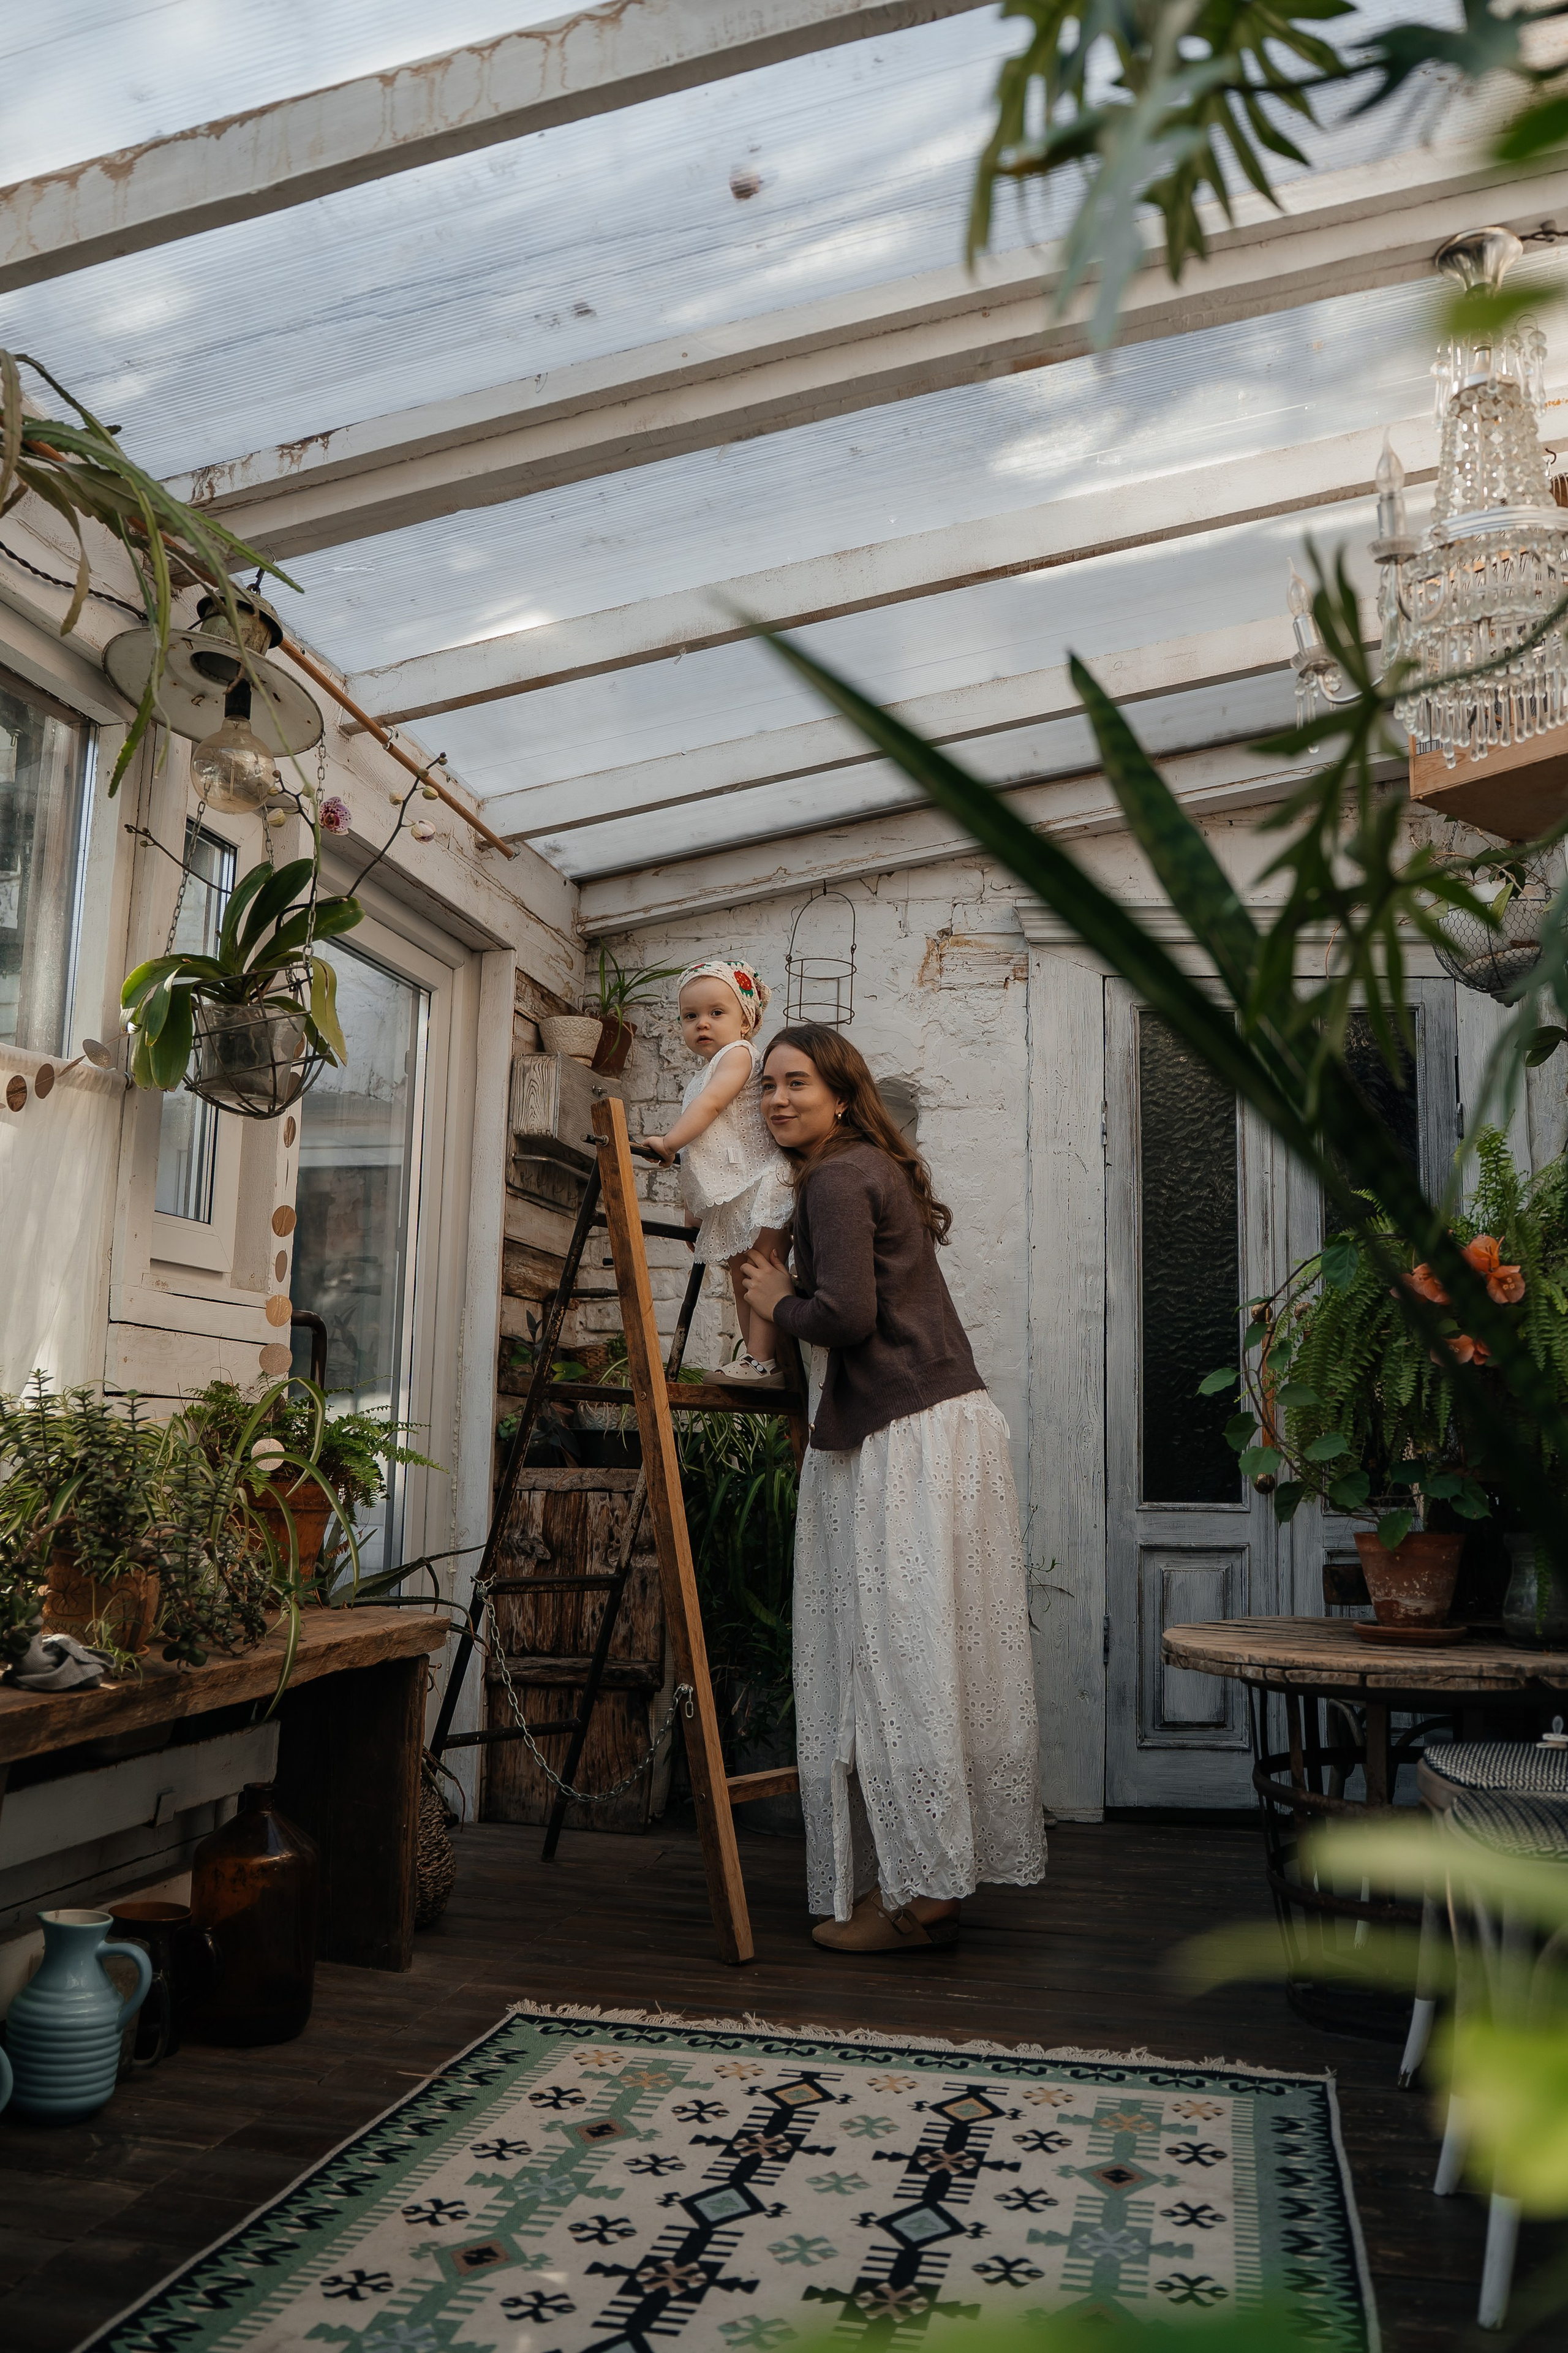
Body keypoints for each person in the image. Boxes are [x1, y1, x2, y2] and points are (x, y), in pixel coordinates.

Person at [740, 1023, 1045, 1953]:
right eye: (767, 1086)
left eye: (797, 1083)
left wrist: (770, 1300)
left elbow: (845, 1315)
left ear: (840, 1095)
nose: (778, 1099)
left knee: (899, 1660)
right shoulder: (867, 1168)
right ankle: (930, 1880)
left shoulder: (836, 1177)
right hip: (942, 1425)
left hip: (907, 1436)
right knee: (931, 1657)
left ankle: (920, 1896)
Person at [643, 959, 794, 1384]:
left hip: (762, 1179)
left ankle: (765, 1358)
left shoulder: (739, 1055)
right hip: (732, 1189)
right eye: (691, 1016)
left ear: (747, 1021)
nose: (702, 1024)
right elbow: (704, 1147)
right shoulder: (704, 1074)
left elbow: (709, 1111)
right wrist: (697, 1208)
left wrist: (669, 1144)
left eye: (716, 1013)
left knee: (761, 1268)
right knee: (741, 1276)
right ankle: (756, 1359)